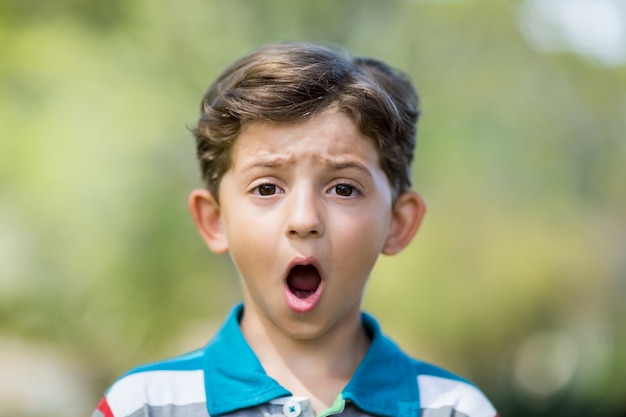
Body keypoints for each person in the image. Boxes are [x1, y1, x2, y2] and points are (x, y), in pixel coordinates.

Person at [91, 41, 498, 417]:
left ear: (397, 222)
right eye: (267, 187)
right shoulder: (142, 406)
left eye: (343, 188)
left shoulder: (455, 409)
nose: (304, 219)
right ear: (214, 221)